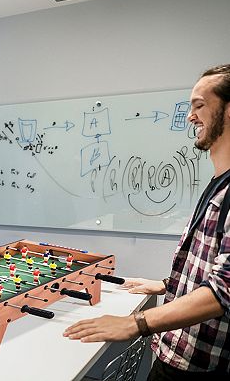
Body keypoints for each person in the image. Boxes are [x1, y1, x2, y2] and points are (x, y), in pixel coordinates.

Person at [63, 64, 230, 379]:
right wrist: (167, 286)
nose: (191, 117)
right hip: (179, 357)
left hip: (198, 367)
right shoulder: (219, 184)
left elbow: (224, 290)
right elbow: (214, 267)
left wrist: (134, 323)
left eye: (199, 106)